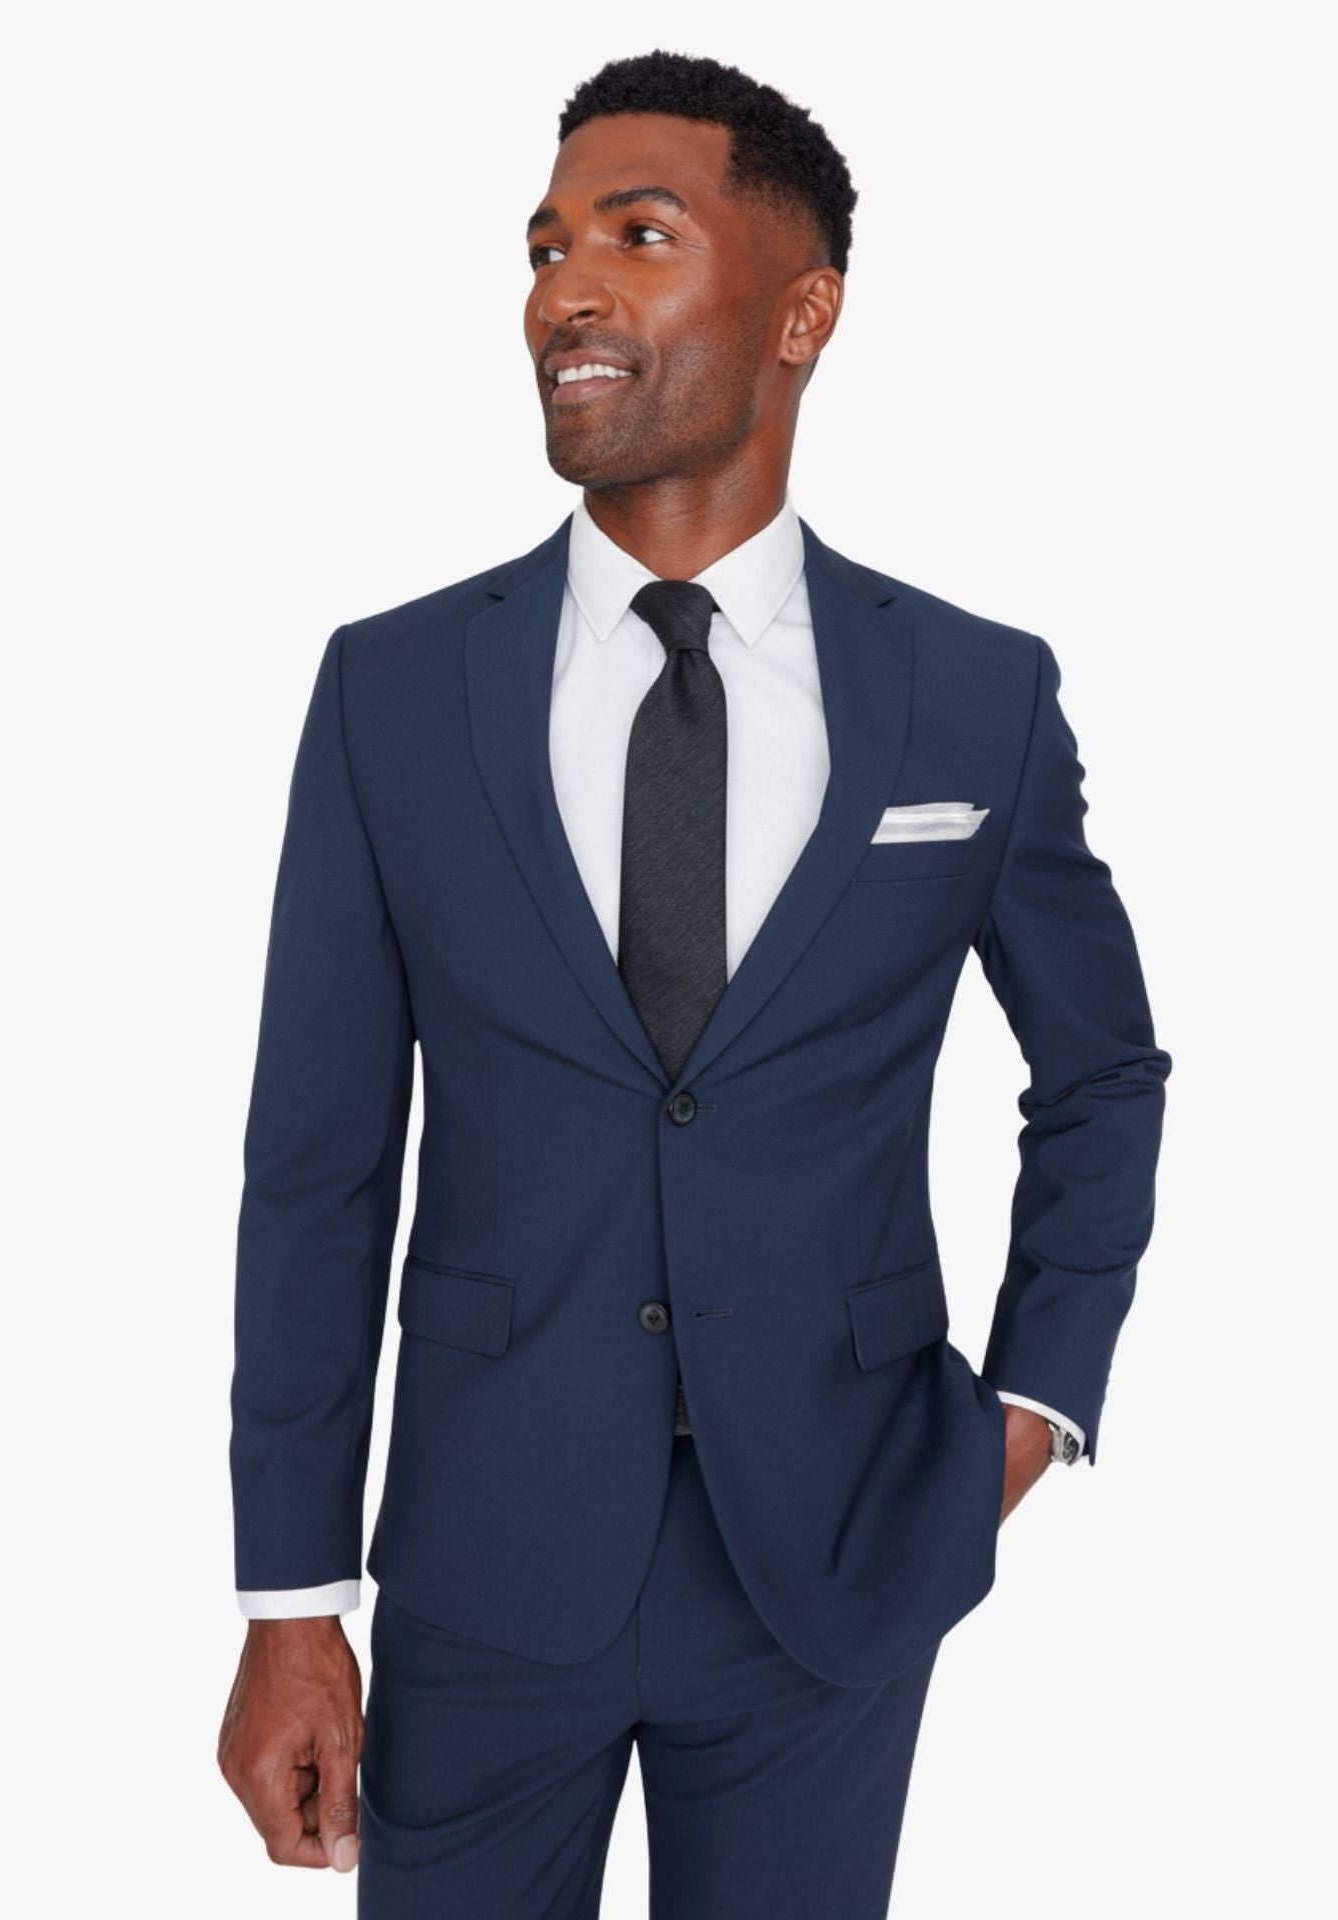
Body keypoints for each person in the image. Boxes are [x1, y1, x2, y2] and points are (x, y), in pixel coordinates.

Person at [218, 49, 1171, 1917]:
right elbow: (316, 1170)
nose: (564, 290)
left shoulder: (973, 692)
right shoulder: (391, 691)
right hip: (487, 1561)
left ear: (803, 312)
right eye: (544, 247)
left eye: (638, 237)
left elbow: (1102, 1075)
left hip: (838, 1555)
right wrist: (290, 1595)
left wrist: (1034, 1409)